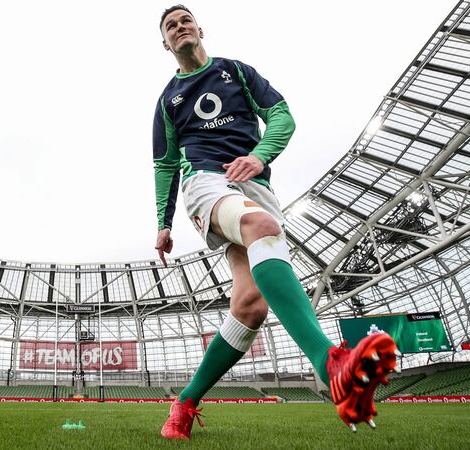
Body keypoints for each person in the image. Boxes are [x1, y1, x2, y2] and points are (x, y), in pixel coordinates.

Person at [153, 5, 400, 439]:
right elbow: (165, 164)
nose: (180, 27)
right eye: (171, 26)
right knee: (260, 227)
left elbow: (282, 115)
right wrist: (163, 221)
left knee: (251, 305)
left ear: (200, 29)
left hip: (254, 183)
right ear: (165, 44)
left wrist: (259, 155)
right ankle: (330, 364)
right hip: (206, 180)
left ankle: (185, 403)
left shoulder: (236, 71)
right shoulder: (167, 100)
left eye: (185, 20)